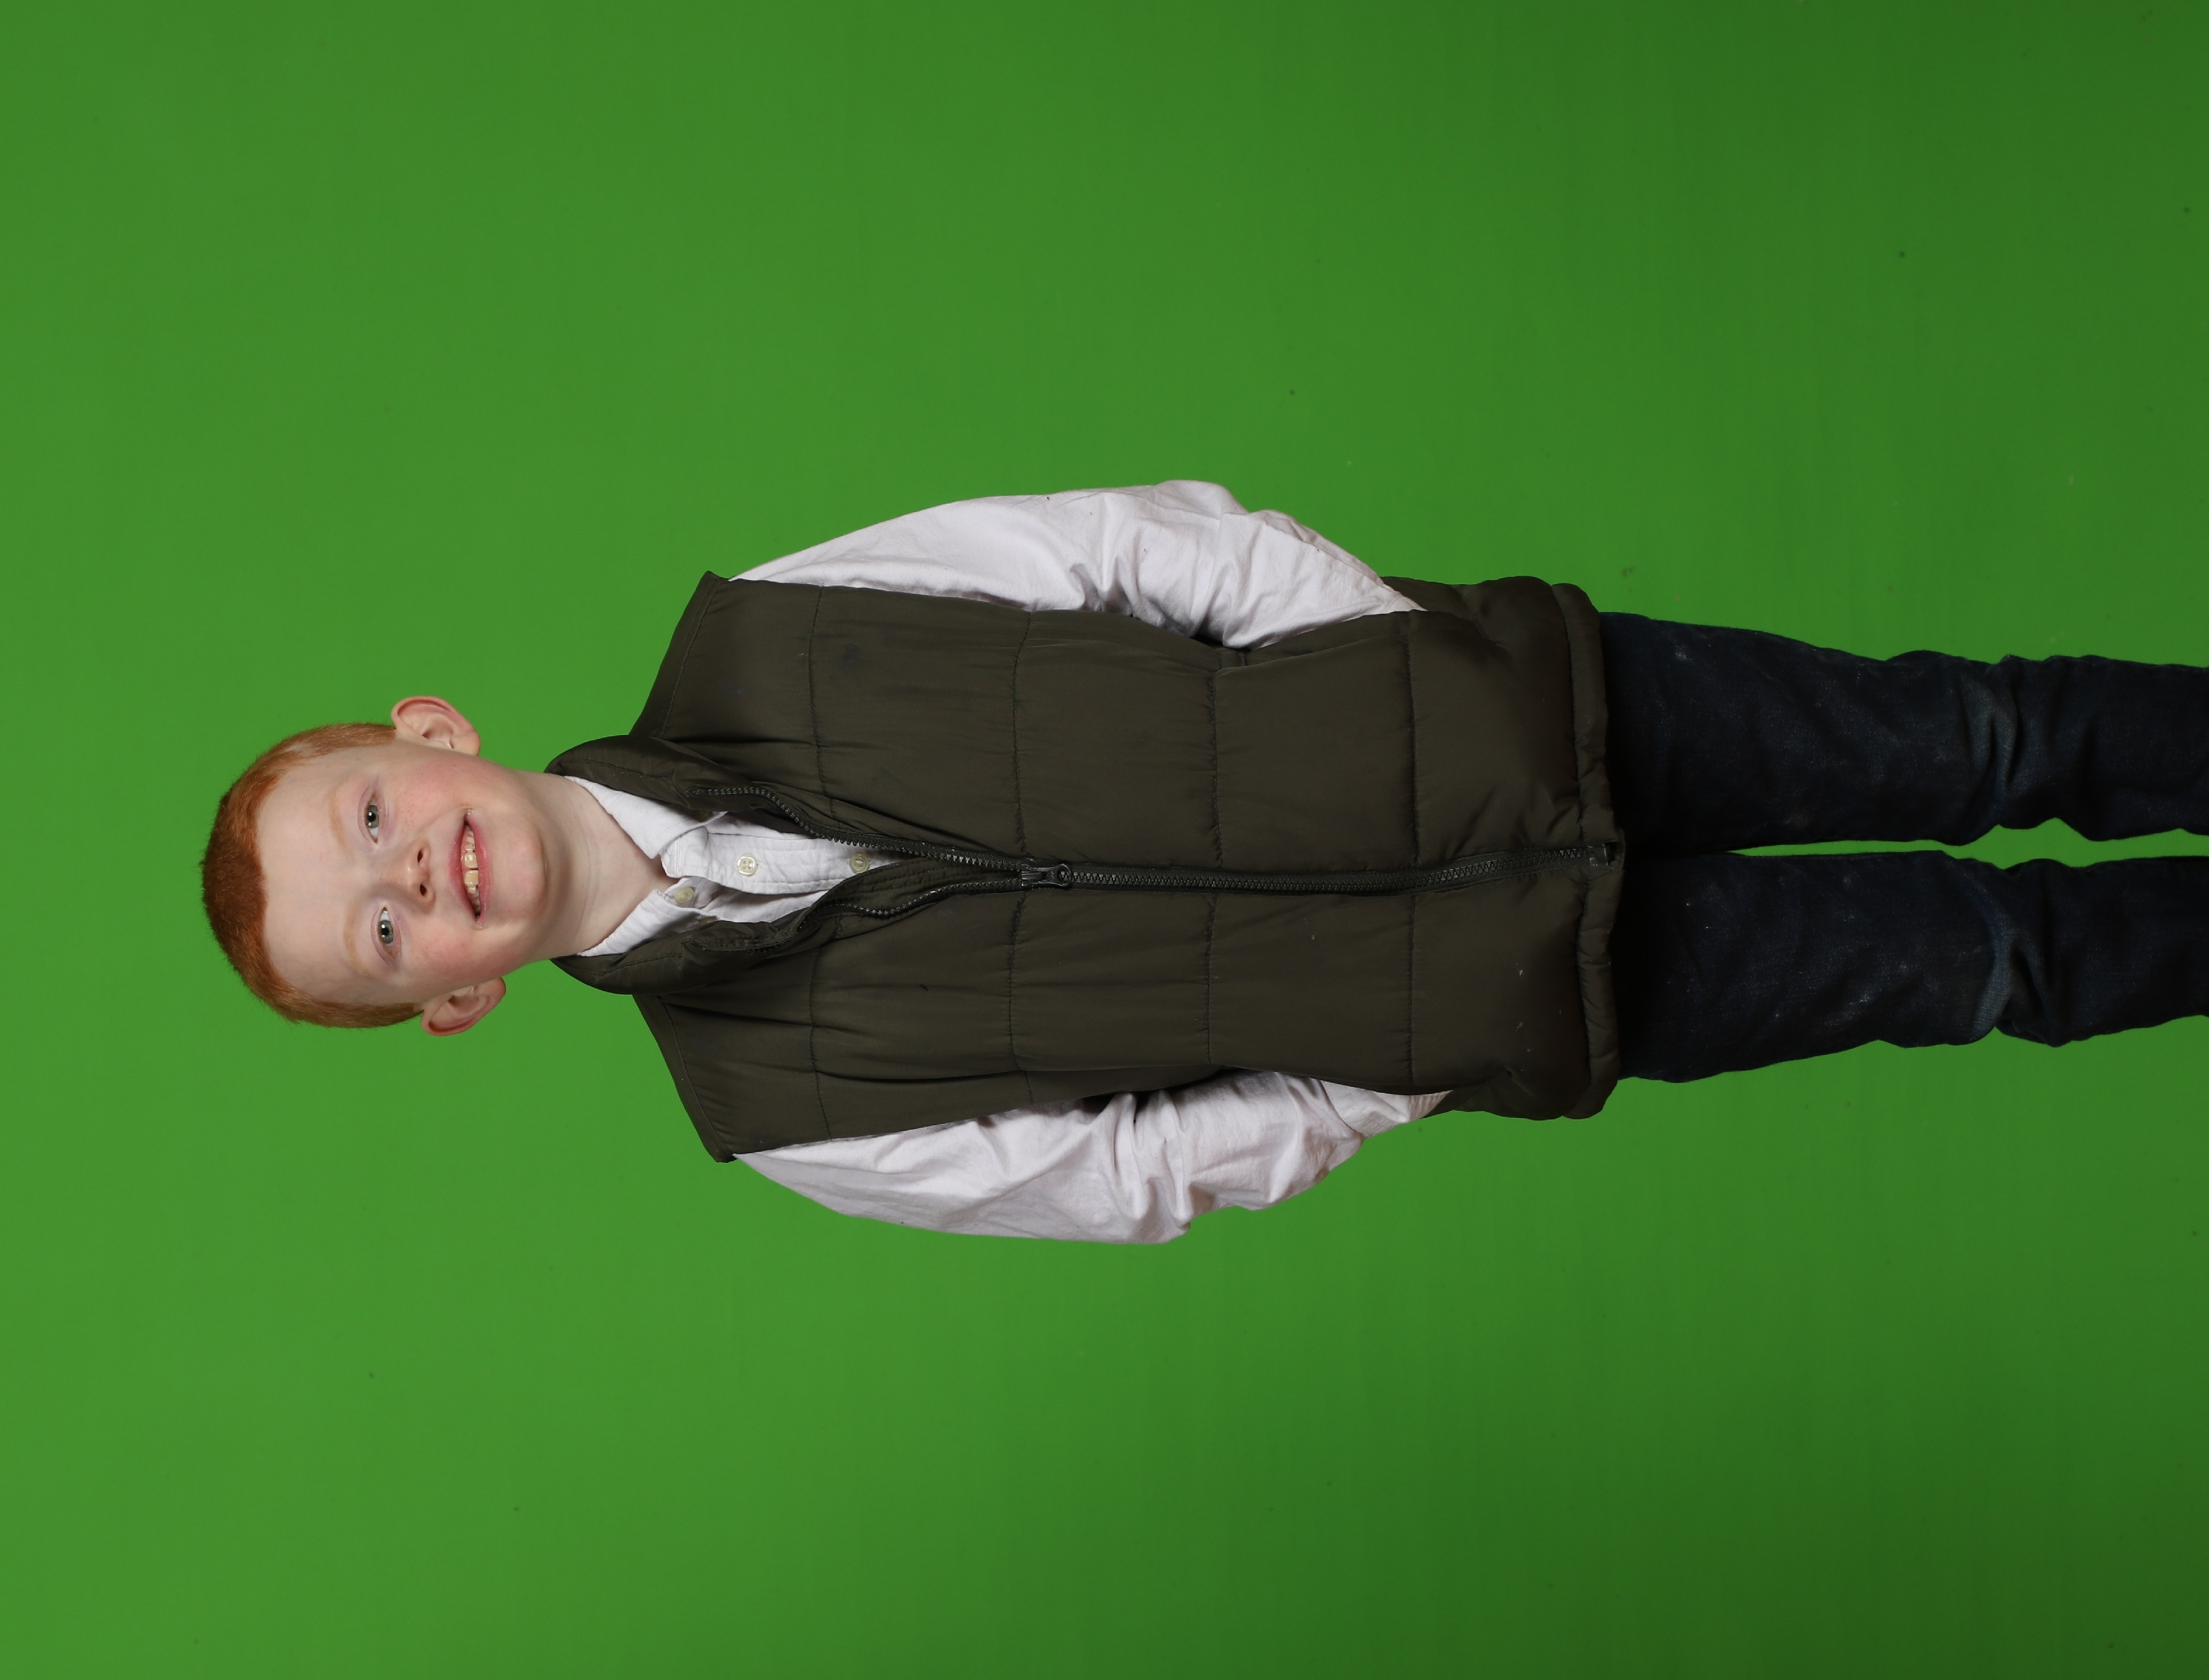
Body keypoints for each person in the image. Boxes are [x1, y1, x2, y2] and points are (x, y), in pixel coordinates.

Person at [200, 483, 2209, 1243]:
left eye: (369, 820)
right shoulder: (782, 1114)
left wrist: (1404, 672)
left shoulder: (768, 623)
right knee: (2000, 964)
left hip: (1551, 711)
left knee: (1988, 734)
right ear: (450, 1001)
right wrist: (1402, 1049)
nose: (414, 877)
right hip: (1557, 991)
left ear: (425, 734)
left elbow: (1129, 551)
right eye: (380, 933)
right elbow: (1138, 1175)